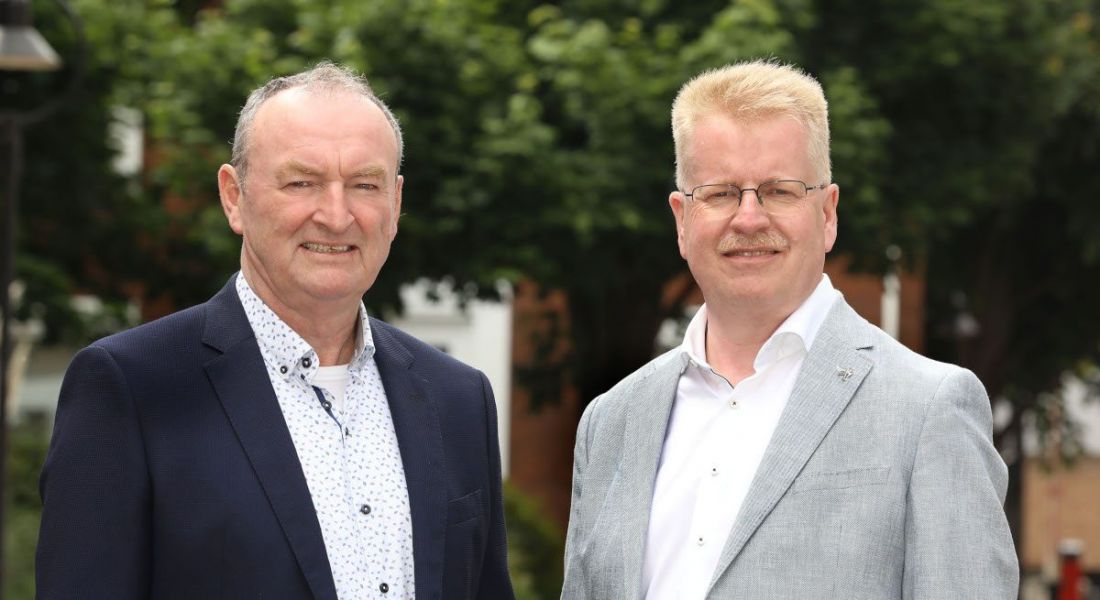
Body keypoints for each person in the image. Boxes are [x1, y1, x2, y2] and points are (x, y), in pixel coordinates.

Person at [37, 63, 514, 600]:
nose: (336, 216)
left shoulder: (457, 397)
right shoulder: (132, 388)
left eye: (363, 184)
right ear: (233, 197)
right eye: (301, 182)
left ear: (396, 204)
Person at [560, 60, 1018, 599]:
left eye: (779, 191)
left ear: (827, 213)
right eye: (721, 192)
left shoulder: (929, 408)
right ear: (682, 220)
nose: (749, 219)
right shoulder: (611, 421)